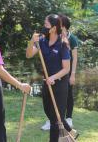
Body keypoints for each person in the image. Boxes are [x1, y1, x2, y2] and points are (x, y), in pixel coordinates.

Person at [26, 14, 77, 142]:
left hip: (59, 83)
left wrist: (53, 77)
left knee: (55, 118)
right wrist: (32, 41)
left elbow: (66, 68)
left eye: (46, 24)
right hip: (47, 83)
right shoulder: (42, 41)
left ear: (54, 28)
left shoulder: (63, 43)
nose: (44, 26)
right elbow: (29, 54)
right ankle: (70, 131)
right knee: (49, 112)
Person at [41, 14, 79, 130]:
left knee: (65, 100)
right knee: (52, 108)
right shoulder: (47, 39)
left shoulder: (70, 39)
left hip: (64, 74)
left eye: (60, 23)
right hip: (53, 75)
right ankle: (61, 126)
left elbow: (74, 58)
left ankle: (68, 119)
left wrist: (72, 74)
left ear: (64, 26)